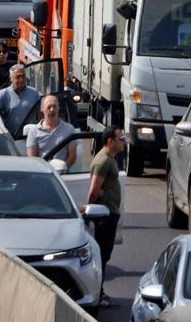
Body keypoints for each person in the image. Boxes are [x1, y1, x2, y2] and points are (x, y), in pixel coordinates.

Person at [86, 127, 126, 307]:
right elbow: (94, 191)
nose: (124, 141)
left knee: (105, 255)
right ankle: (97, 294)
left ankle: (99, 292)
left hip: (111, 213)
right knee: (101, 256)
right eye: (121, 138)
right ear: (110, 141)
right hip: (104, 216)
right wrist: (90, 211)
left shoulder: (110, 159)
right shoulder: (102, 161)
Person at [27, 94, 78, 164]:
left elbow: (72, 157)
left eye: (54, 106)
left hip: (63, 173)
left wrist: (62, 169)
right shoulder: (34, 131)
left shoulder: (69, 129)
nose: (52, 109)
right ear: (42, 108)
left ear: (58, 108)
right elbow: (31, 157)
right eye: (49, 107)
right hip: (42, 172)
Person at [0, 65, 41, 133]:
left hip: (30, 135)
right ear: (11, 78)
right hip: (11, 136)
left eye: (23, 76)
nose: (21, 79)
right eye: (18, 77)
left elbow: (40, 115)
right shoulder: (3, 94)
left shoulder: (34, 93)